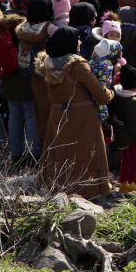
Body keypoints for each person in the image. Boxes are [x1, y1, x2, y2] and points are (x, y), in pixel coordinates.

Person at [35, 26, 115, 200]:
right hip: (83, 118)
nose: (80, 42)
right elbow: (102, 95)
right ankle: (91, 193)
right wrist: (112, 91)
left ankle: (61, 193)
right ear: (69, 43)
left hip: (57, 117)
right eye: (77, 39)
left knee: (62, 157)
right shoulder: (77, 65)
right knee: (87, 156)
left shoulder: (48, 64)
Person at [0, 10, 40, 167]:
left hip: (7, 83)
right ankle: (35, 154)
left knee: (14, 117)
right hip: (25, 83)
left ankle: (17, 155)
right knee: (30, 117)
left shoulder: (1, 32)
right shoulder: (22, 33)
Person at [16, 0, 54, 140]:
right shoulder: (48, 31)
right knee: (49, 115)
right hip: (47, 78)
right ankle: (47, 153)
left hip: (32, 76)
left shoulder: (24, 29)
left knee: (39, 114)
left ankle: (39, 150)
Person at [110, 65, 136, 193]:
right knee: (134, 159)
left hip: (120, 135)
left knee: (125, 158)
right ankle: (132, 182)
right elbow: (134, 123)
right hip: (131, 136)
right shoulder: (132, 101)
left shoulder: (117, 96)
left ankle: (123, 181)